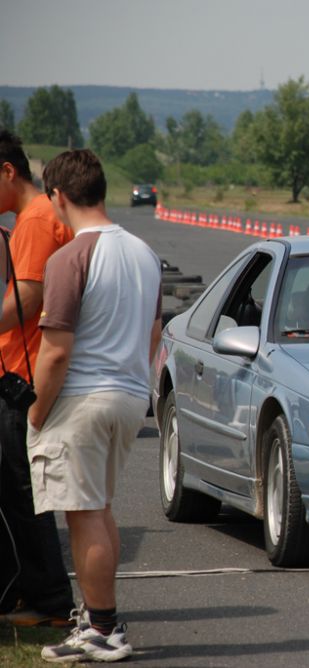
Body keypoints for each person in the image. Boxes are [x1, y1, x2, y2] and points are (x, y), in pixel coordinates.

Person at [27, 149, 161, 663]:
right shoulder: (144, 253)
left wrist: (37, 413)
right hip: (128, 395)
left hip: (82, 397)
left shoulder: (69, 257)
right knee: (100, 511)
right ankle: (97, 616)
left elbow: (56, 350)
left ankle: (103, 629)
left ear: (58, 196)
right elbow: (154, 332)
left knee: (82, 517)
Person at [0, 130, 76, 628]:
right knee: (16, 491)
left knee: (23, 492)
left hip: (22, 377)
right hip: (22, 371)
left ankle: (51, 600)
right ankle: (34, 592)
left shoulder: (34, 221)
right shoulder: (38, 218)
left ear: (8, 172)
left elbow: (29, 294)